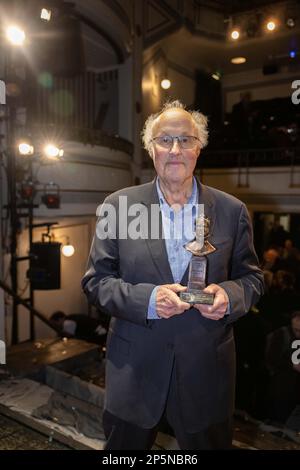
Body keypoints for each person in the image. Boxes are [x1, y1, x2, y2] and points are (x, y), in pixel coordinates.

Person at [81, 100, 264, 450]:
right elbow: (95, 282)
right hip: (133, 371)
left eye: (186, 140)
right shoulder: (118, 207)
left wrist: (229, 297)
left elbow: (252, 279)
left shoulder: (232, 210)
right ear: (151, 149)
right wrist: (148, 300)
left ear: (199, 147)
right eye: (165, 140)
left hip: (205, 371)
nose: (175, 150)